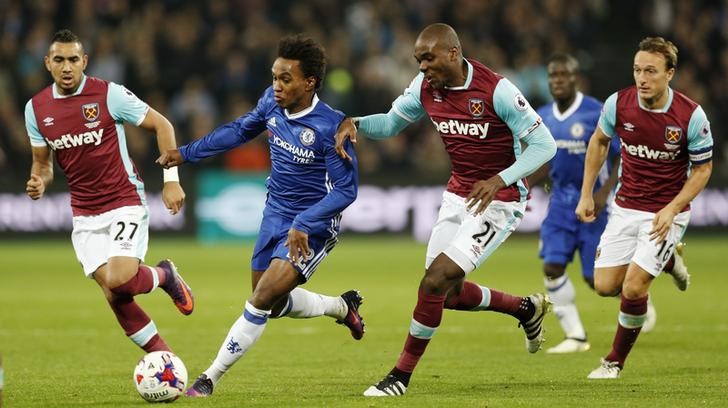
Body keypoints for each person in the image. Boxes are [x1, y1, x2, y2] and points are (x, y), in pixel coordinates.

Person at [335, 23, 557, 397]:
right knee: (446, 295)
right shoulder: (425, 88)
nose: (422, 67)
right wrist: (355, 123)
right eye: (418, 60)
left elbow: (544, 145)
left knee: (434, 281)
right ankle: (524, 309)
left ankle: (399, 377)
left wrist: (500, 180)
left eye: (428, 58)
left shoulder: (496, 89)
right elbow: (390, 123)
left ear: (453, 53)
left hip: (499, 201)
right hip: (459, 195)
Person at [156, 34, 363, 397]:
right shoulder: (271, 103)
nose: (277, 86)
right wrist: (186, 153)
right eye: (274, 77)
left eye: (286, 79)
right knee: (273, 301)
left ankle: (208, 379)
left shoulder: (331, 127)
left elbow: (347, 190)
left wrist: (303, 223)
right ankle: (341, 307)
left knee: (259, 300)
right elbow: (239, 130)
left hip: (312, 223)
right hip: (275, 214)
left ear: (309, 82)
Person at [24, 29, 192, 354]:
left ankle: (164, 275)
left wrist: (171, 179)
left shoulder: (108, 95)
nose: (67, 66)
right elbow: (42, 164)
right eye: (59, 60)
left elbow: (163, 125)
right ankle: (165, 361)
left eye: (73, 59)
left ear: (84, 61)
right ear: (48, 63)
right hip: (84, 213)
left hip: (123, 200)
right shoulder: (36, 109)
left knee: (121, 279)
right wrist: (39, 180)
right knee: (115, 294)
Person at [531, 54, 691, 353]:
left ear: (576, 78)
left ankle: (645, 285)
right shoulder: (543, 115)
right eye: (552, 76)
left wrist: (603, 192)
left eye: (564, 75)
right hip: (560, 204)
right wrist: (526, 183)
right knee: (552, 267)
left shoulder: (595, 111)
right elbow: (546, 156)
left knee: (599, 281)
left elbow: (621, 152)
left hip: (595, 203)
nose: (557, 81)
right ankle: (576, 336)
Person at [576, 37, 713, 379]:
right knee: (605, 286)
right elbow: (599, 141)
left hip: (667, 213)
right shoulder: (618, 104)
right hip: (625, 207)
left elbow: (702, 170)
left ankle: (613, 362)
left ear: (670, 74)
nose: (642, 78)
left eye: (650, 71)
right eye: (637, 70)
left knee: (634, 288)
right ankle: (669, 259)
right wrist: (586, 193)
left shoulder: (690, 116)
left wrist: (673, 208)